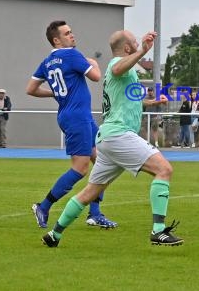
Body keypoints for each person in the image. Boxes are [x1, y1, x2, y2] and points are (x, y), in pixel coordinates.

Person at [41, 30, 183, 248]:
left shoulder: (125, 71)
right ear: (127, 48)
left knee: (89, 193)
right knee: (164, 170)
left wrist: (152, 103)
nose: (139, 44)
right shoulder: (117, 63)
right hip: (119, 135)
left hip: (108, 138)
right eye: (135, 42)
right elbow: (117, 68)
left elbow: (129, 100)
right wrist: (143, 51)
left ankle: (55, 234)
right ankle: (159, 231)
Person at [26, 20, 117, 229]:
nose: (72, 36)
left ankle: (95, 213)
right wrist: (93, 61)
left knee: (102, 161)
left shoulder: (47, 62)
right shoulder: (72, 55)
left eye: (71, 32)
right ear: (56, 40)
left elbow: (30, 88)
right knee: (80, 168)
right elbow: (96, 76)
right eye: (67, 33)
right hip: (78, 117)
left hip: (72, 115)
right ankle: (44, 206)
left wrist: (57, 93)